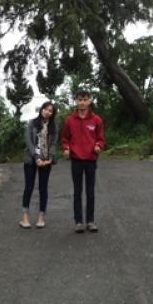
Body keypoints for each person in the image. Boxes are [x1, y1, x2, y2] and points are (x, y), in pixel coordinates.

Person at [60, 89, 105, 233]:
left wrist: (98, 146)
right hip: (76, 160)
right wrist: (66, 149)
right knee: (77, 192)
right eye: (80, 99)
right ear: (76, 101)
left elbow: (100, 138)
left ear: (89, 101)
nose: (82, 102)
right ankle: (78, 222)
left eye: (85, 100)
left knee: (90, 192)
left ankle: (90, 221)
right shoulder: (69, 120)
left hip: (91, 160)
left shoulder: (96, 120)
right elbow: (65, 139)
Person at [20, 101, 58, 229]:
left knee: (43, 188)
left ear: (52, 114)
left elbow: (53, 144)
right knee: (29, 187)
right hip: (31, 159)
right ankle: (24, 216)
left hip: (46, 160)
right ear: (41, 109)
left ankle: (41, 216)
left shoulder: (54, 127)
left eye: (50, 110)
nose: (47, 112)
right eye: (45, 109)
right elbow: (29, 142)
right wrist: (37, 158)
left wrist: (50, 158)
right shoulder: (32, 123)